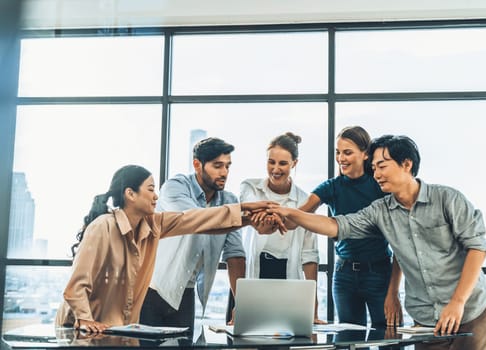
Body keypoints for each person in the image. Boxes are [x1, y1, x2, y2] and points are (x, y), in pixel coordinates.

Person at [266, 135, 486, 350]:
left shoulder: (447, 199)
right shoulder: (380, 210)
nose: (376, 174)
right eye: (374, 168)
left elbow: (477, 247)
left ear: (406, 164)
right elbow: (337, 225)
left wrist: (457, 301)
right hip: (426, 320)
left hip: (470, 312)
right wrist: (289, 212)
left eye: (382, 166)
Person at [55, 164, 275, 333]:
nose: (156, 196)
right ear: (130, 194)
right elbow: (76, 285)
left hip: (117, 330)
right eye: (150, 189)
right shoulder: (102, 226)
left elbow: (197, 219)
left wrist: (246, 215)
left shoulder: (153, 224)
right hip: (81, 329)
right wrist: (84, 318)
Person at [293, 126, 402, 328]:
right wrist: (271, 213)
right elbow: (300, 215)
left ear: (365, 154)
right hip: (344, 275)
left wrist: (393, 292)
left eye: (347, 152)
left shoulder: (381, 186)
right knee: (349, 340)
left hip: (379, 273)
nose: (341, 158)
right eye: (338, 152)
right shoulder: (331, 187)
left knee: (390, 337)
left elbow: (400, 242)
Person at [140, 138, 245, 330]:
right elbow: (195, 221)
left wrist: (243, 304)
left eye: (228, 166)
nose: (224, 173)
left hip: (186, 294)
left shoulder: (229, 201)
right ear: (197, 164)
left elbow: (235, 254)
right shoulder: (175, 187)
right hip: (152, 290)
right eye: (217, 166)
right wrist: (242, 213)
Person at [240, 132, 323, 323]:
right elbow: (250, 210)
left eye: (283, 164)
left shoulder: (304, 200)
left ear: (294, 163)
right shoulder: (250, 187)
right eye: (271, 162)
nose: (275, 169)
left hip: (286, 276)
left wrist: (314, 304)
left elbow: (309, 255)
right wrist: (275, 215)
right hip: (253, 276)